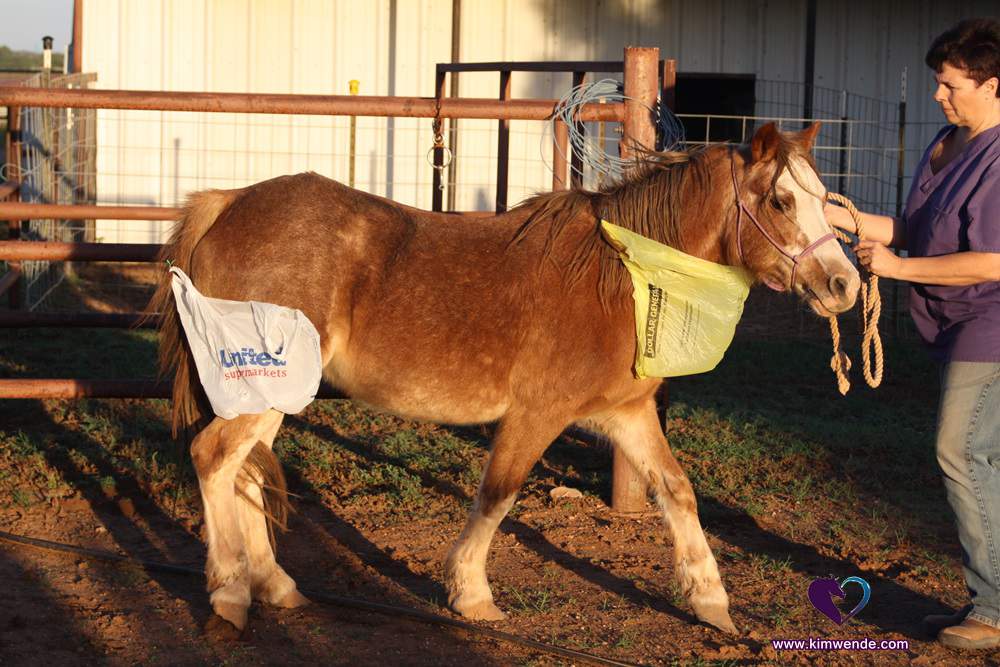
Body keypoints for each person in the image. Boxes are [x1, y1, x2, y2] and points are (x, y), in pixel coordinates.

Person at [825, 18, 1000, 650]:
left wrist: (899, 270)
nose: (938, 95)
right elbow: (910, 228)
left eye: (950, 84)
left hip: (992, 321)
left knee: (960, 451)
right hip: (958, 324)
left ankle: (993, 611)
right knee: (983, 460)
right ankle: (988, 599)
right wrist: (824, 209)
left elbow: (993, 259)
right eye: (938, 83)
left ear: (993, 83)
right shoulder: (945, 143)